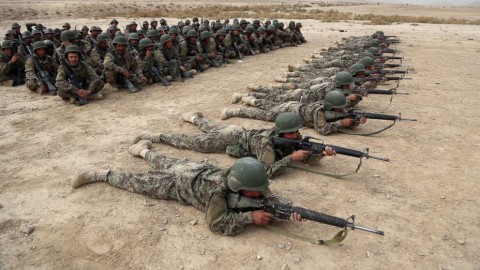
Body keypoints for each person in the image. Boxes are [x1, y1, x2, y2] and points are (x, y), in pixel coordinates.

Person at [72, 141, 303, 236]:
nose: (261, 193)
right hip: (178, 186)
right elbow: (215, 224)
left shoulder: (248, 181)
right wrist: (249, 219)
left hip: (196, 168)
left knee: (163, 160)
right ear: (241, 186)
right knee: (138, 182)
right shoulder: (218, 194)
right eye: (255, 191)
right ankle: (102, 174)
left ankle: (143, 150)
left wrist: (288, 210)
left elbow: (268, 196)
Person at [133, 112, 335, 177]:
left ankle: (194, 118)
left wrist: (321, 153)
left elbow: (307, 154)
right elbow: (265, 171)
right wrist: (290, 159)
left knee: (212, 128)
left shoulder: (289, 137)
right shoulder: (266, 144)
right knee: (194, 143)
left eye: (297, 130)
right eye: (293, 131)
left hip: (239, 131)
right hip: (232, 138)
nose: (297, 134)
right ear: (282, 132)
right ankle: (156, 135)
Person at [221, 90, 366, 136]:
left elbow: (343, 117)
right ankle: (235, 111)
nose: (343, 110)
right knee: (265, 114)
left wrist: (355, 122)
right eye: (340, 108)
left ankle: (249, 99)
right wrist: (341, 123)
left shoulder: (337, 107)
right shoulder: (320, 111)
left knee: (270, 106)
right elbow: (322, 130)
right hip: (291, 111)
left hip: (296, 107)